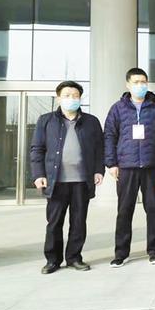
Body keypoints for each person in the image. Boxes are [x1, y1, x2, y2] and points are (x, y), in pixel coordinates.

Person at [30, 81, 104, 274]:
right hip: (56, 181)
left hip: (82, 180)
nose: (72, 99)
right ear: (58, 98)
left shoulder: (91, 122)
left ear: (80, 98)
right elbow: (37, 149)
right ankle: (52, 260)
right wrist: (38, 174)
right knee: (54, 223)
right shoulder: (46, 121)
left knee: (78, 222)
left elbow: (99, 149)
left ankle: (74, 258)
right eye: (67, 95)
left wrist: (99, 170)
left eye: (75, 96)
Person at [104, 68, 155, 267]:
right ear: (128, 84)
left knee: (153, 209)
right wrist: (111, 163)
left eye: (143, 82)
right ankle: (121, 253)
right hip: (126, 166)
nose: (140, 85)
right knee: (124, 211)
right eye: (136, 82)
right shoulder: (118, 108)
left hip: (151, 166)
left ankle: (154, 251)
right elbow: (109, 136)